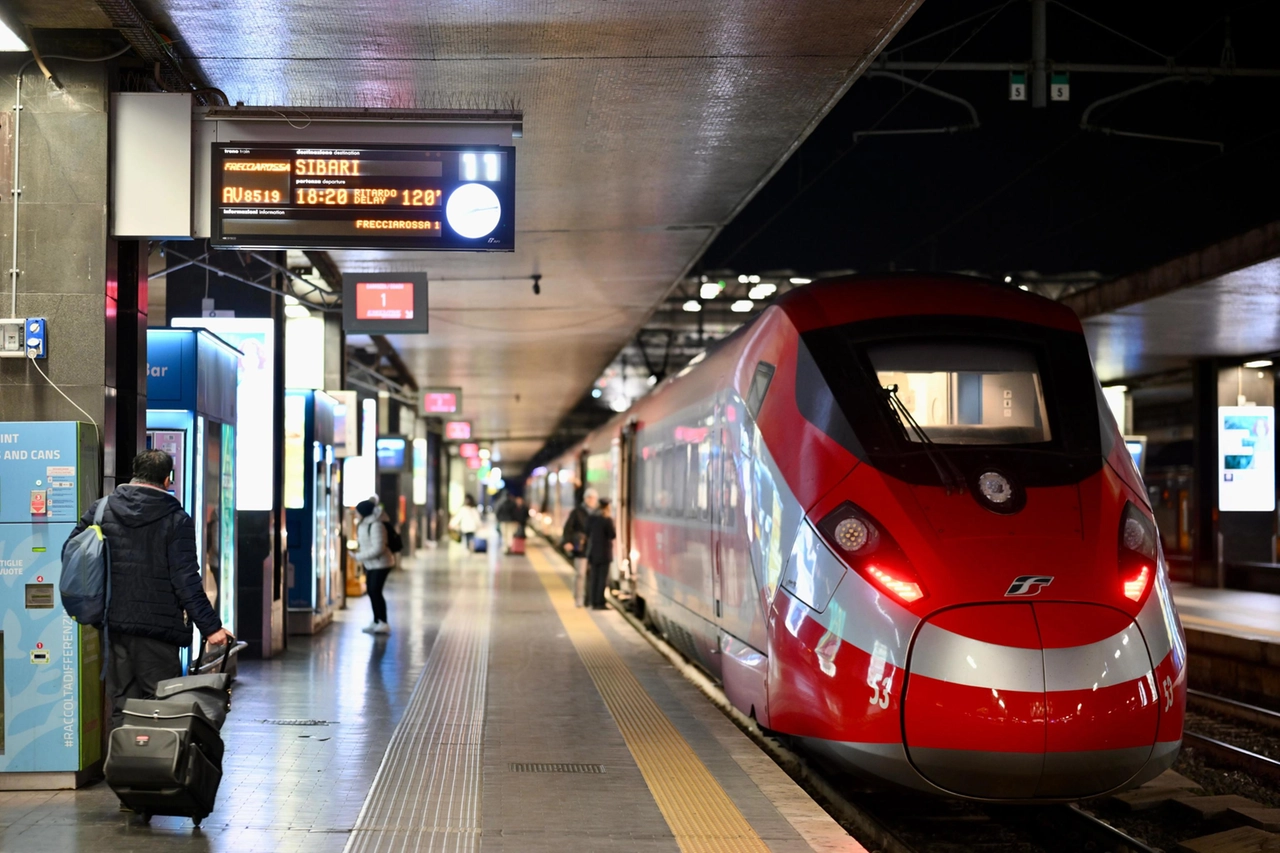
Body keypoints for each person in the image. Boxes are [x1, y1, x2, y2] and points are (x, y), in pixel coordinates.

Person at [64, 449, 231, 731]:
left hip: (114, 625)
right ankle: (153, 767)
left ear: (135, 473)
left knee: (121, 703)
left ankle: (121, 769)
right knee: (160, 703)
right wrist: (211, 627)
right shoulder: (176, 519)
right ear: (168, 480)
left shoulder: (102, 509)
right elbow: (185, 579)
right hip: (158, 630)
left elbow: (73, 554)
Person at [353, 499, 394, 633]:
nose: (356, 514)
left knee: (376, 591)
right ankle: (377, 620)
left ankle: (383, 622)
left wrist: (358, 557)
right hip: (371, 564)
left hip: (381, 563)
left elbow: (378, 548)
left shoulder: (376, 525)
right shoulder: (364, 524)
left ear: (363, 512)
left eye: (358, 511)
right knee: (371, 591)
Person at [562, 488, 598, 606]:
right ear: (585, 499)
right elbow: (568, 528)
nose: (591, 500)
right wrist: (567, 542)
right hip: (581, 548)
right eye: (589, 498)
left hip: (594, 549)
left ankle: (589, 599)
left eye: (593, 498)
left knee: (591, 575)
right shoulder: (577, 512)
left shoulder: (597, 512)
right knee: (580, 574)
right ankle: (578, 599)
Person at [585, 498, 616, 609]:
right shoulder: (607, 519)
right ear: (607, 507)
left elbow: (587, 531)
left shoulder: (592, 517)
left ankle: (593, 602)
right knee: (602, 579)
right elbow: (612, 535)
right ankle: (600, 603)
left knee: (594, 578)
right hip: (604, 553)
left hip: (593, 552)